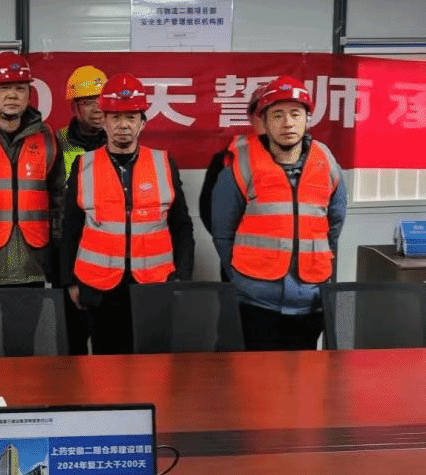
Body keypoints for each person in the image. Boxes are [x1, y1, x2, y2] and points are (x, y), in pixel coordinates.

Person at [210, 76, 347, 352]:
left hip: (310, 302)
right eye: (278, 115)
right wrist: (239, 279)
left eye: (295, 114)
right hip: (256, 303)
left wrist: (320, 271)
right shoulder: (240, 165)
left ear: (307, 119)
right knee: (255, 377)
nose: (287, 123)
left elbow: (334, 227)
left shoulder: (326, 163)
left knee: (304, 376)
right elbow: (222, 233)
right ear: (264, 121)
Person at [61, 73, 194, 355]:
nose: (123, 125)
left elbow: (181, 224)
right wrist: (70, 281)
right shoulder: (83, 165)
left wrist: (182, 275)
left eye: (131, 117)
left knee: (153, 364)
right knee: (106, 366)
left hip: (154, 284)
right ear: (104, 121)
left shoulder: (163, 162)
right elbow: (71, 226)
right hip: (99, 288)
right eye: (115, 117)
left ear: (142, 123)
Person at [0, 51, 64, 353]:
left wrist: (56, 259)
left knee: (22, 353)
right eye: (4, 88)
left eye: (20, 88)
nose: (12, 95)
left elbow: (58, 201)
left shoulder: (47, 138)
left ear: (29, 93)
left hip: (30, 265)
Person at [55, 64, 107, 353]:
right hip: (70, 253)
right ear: (74, 107)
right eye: (88, 102)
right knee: (72, 344)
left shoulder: (120, 141)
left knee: (109, 344)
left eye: (101, 100)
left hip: (109, 255)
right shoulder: (57, 143)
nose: (97, 108)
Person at [199, 84, 268, 283]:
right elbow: (209, 213)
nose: (269, 120)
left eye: (275, 113)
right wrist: (234, 250)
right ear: (250, 117)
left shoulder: (311, 158)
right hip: (240, 263)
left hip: (299, 273)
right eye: (261, 113)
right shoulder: (228, 158)